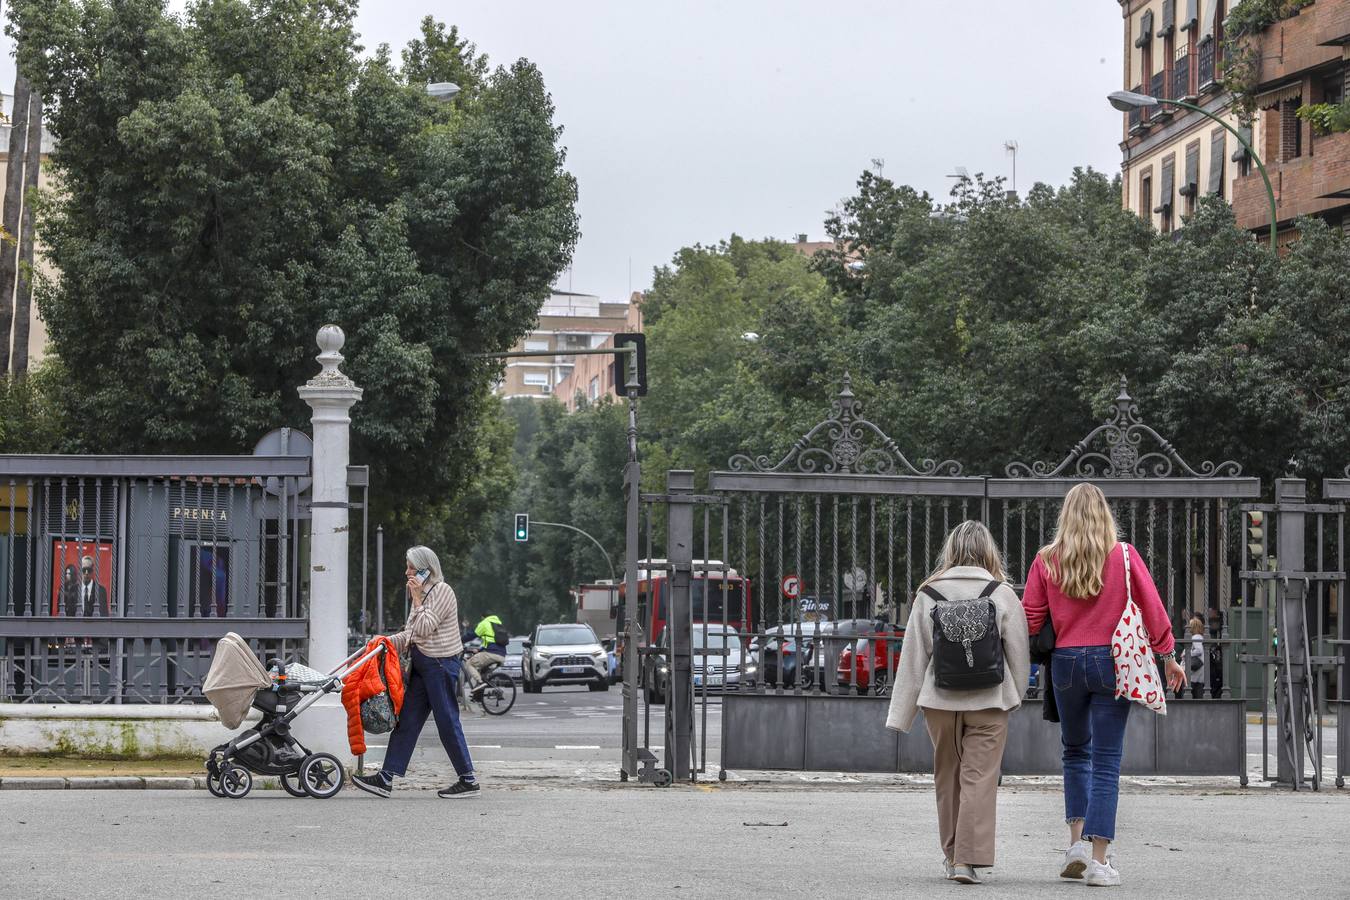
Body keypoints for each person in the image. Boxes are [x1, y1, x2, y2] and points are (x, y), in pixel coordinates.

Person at [1023, 484, 1186, 887]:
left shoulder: (1046, 559)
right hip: (1113, 661)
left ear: (1066, 515)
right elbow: (1153, 610)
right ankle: (1099, 861)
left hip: (1065, 664)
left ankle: (1076, 844)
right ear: (1104, 514)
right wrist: (1168, 657)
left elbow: (1029, 618)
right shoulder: (1124, 556)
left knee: (1075, 751)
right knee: (1107, 761)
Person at [886, 520, 1029, 886]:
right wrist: (1013, 696)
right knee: (979, 778)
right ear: (989, 552)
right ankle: (968, 859)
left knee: (947, 775)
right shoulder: (1002, 593)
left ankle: (952, 857)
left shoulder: (928, 593)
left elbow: (914, 659)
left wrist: (902, 715)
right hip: (989, 701)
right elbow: (1019, 656)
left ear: (950, 551)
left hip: (939, 701)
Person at [352, 546, 479, 799]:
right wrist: (384, 642)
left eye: (411, 567)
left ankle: (468, 779)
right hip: (422, 664)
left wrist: (418, 598)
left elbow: (424, 628)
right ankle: (386, 777)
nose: (406, 571)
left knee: (447, 721)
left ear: (425, 570)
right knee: (407, 720)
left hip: (441, 664)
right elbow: (410, 634)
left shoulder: (441, 591)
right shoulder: (422, 595)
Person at [466, 614, 508, 692]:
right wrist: (479, 650)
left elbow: (472, 635)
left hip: (491, 654)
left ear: (483, 617)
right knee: (482, 671)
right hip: (502, 656)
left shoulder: (485, 623)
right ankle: (478, 695)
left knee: (469, 663)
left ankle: (480, 682)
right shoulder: (498, 624)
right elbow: (492, 642)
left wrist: (459, 640)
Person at [1186, 616, 1206, 699]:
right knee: (1199, 691)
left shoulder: (1195, 637)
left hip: (1197, 668)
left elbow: (1198, 650)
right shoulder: (1200, 637)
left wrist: (1186, 653)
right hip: (1200, 667)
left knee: (1191, 690)